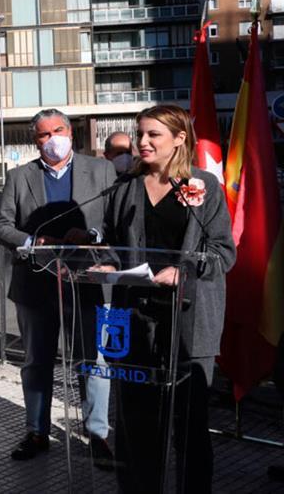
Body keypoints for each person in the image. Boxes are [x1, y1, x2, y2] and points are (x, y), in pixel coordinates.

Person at [97, 105, 235, 493]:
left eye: (153, 135)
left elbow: (224, 251)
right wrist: (106, 264)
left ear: (179, 139)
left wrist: (184, 272)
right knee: (136, 421)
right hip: (136, 319)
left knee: (189, 425)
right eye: (140, 133)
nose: (142, 142)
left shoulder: (203, 186)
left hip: (189, 321)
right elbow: (112, 243)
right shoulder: (124, 187)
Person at [0, 108, 117, 465]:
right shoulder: (19, 176)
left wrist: (93, 236)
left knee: (93, 361)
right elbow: (1, 225)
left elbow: (116, 220)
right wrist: (34, 240)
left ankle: (97, 435)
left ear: (71, 133)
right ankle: (36, 431)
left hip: (87, 283)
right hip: (34, 284)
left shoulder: (102, 170)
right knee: (36, 361)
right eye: (43, 135)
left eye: (57, 131)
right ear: (35, 141)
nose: (51, 140)